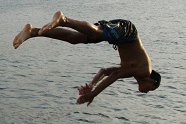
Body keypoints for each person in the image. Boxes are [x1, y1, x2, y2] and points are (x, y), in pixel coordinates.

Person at [13, 11, 161, 106]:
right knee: (96, 34)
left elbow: (105, 71)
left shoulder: (134, 70)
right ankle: (64, 20)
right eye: (149, 90)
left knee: (75, 39)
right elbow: (115, 75)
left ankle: (32, 32)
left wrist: (92, 84)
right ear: (152, 81)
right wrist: (92, 95)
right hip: (127, 32)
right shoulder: (144, 71)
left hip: (121, 37)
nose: (145, 92)